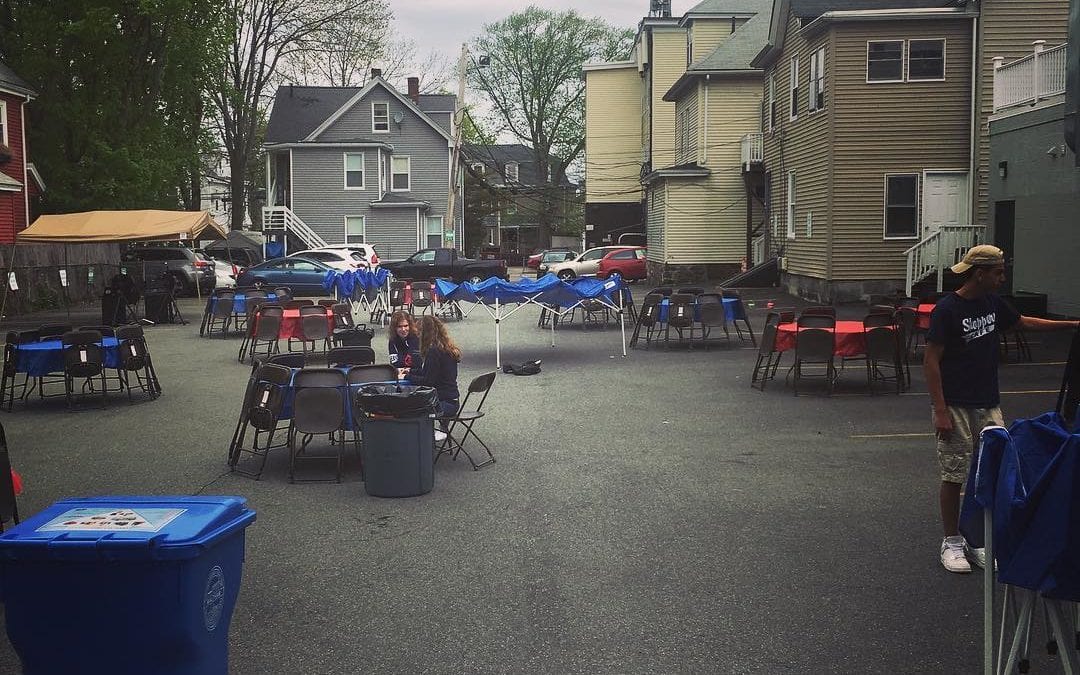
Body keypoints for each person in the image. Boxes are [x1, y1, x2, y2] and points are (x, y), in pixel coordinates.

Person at [924, 245, 1079, 573]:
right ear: (980, 273)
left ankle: (978, 540)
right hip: (955, 404)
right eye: (999, 272)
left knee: (991, 473)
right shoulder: (947, 310)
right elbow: (931, 360)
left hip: (988, 404)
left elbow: (1025, 323)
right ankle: (950, 542)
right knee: (954, 474)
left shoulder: (993, 304)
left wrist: (1071, 325)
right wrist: (940, 409)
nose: (1003, 278)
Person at [406, 315, 461, 426]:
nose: (418, 336)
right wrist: (410, 371)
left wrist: (408, 377)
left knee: (409, 407)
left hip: (442, 403)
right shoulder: (446, 348)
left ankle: (421, 436)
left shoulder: (433, 352)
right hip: (453, 400)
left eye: (419, 333)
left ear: (424, 334)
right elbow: (431, 372)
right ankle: (440, 430)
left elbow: (428, 382)